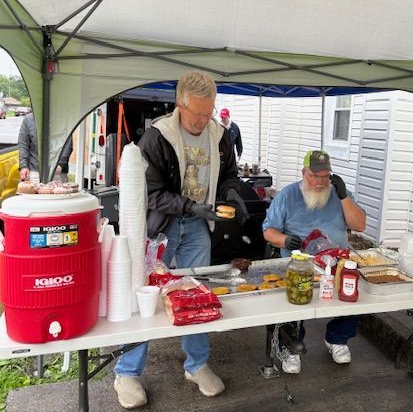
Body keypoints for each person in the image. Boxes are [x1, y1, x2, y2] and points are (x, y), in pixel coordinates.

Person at [113, 71, 248, 409]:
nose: (204, 120)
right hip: (162, 226)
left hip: (198, 226)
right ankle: (127, 371)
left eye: (210, 111)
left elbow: (230, 172)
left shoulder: (219, 134)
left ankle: (196, 364)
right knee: (144, 293)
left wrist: (231, 195)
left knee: (197, 292)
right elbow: (152, 194)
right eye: (198, 113)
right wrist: (192, 206)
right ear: (180, 105)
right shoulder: (157, 138)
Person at [263, 150, 366, 374]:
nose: (319, 181)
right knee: (294, 304)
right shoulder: (288, 195)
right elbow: (268, 231)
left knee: (354, 294)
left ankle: (337, 339)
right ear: (303, 173)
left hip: (336, 260)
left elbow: (360, 225)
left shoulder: (340, 193)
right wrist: (285, 240)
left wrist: (343, 196)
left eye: (324, 176)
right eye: (314, 176)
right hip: (299, 263)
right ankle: (289, 347)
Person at [18, 112, 73, 183]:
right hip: (34, 172)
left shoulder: (62, 119)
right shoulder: (28, 119)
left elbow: (67, 144)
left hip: (58, 171)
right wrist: (23, 166)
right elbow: (23, 145)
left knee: (59, 193)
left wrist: (60, 164)